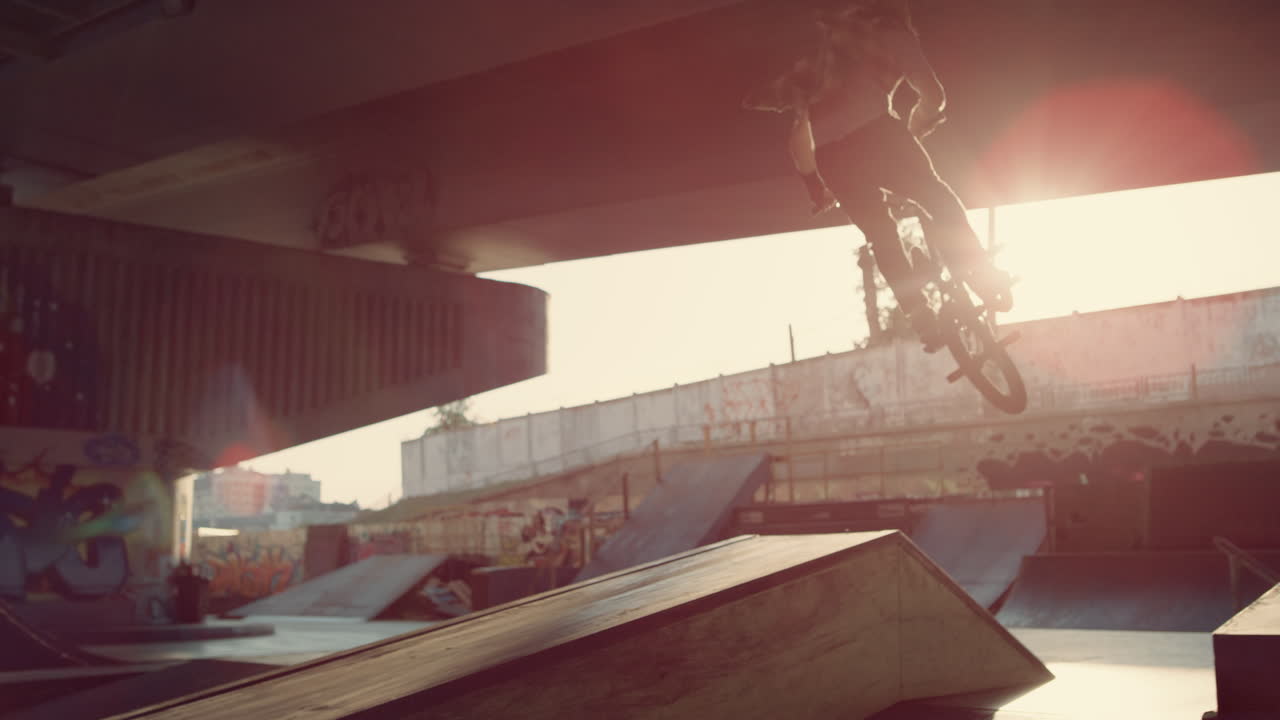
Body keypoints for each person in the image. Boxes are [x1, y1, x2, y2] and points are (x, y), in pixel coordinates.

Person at [744, 0, 1011, 350]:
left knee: (882, 235)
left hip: (833, 159)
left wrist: (815, 188)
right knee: (935, 196)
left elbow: (798, 138)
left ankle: (922, 321)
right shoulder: (891, 33)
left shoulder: (824, 55)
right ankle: (980, 273)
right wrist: (918, 124)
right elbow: (932, 94)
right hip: (879, 135)